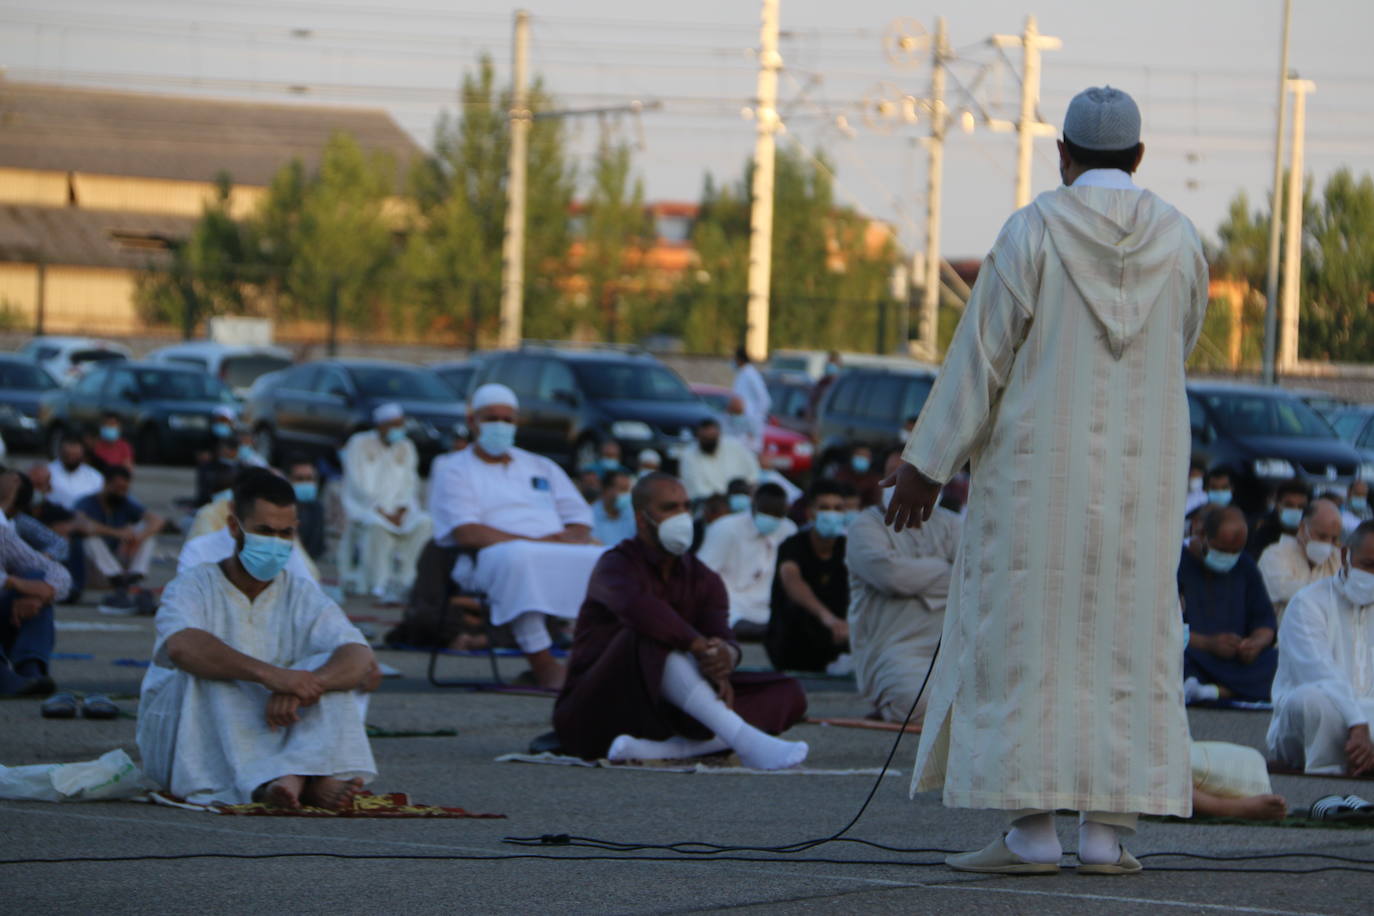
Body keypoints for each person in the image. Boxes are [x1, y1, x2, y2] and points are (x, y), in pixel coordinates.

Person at [883, 86, 1208, 874]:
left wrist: (928, 463)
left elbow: (981, 359)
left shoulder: (1031, 231)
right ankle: (1105, 837)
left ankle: (1031, 836)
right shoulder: (1182, 240)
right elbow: (1183, 340)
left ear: (1061, 155)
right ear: (1138, 158)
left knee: (1027, 646)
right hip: (1144, 489)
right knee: (1126, 651)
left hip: (1036, 488)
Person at [137, 469, 379, 809]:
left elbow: (358, 656)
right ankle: (282, 779)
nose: (276, 543)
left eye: (285, 534)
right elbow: (182, 646)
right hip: (190, 736)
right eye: (265, 531)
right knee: (212, 670)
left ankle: (290, 779)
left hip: (273, 721)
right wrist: (272, 676)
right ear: (235, 527)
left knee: (329, 670)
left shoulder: (301, 593)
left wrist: (305, 685)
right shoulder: (193, 585)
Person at [553, 473, 808, 768]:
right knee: (648, 632)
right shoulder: (615, 565)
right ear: (641, 519)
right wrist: (696, 644)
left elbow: (722, 634)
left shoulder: (703, 578)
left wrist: (724, 657)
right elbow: (640, 610)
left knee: (786, 691)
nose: (682, 516)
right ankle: (742, 738)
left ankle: (662, 750)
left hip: (674, 709)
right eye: (669, 508)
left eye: (686, 507)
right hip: (600, 707)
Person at [428, 383, 606, 690]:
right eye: (491, 418)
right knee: (519, 558)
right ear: (473, 422)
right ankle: (544, 665)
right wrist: (539, 543)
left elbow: (579, 518)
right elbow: (467, 532)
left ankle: (581, 661)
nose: (501, 426)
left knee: (607, 558)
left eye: (508, 419)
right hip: (484, 558)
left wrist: (571, 538)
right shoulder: (454, 469)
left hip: (554, 549)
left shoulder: (540, 465)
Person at [848, 453, 961, 725]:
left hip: (951, 647)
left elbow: (971, 574)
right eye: (895, 478)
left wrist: (920, 574)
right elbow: (891, 576)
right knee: (918, 704)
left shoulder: (951, 523)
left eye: (914, 479)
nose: (904, 485)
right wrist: (945, 567)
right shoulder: (865, 527)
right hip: (895, 651)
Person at [1266, 520, 1374, 776]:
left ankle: (1356, 761)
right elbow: (1318, 671)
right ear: (1346, 555)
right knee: (1312, 701)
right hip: (1318, 716)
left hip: (1369, 716)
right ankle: (1333, 772)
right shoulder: (1308, 602)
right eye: (1369, 566)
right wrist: (1358, 723)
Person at [1178, 506, 1278, 702]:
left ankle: (1213, 692)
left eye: (1236, 551)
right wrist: (1208, 643)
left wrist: (1255, 643)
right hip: (1196, 651)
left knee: (1279, 663)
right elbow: (1164, 628)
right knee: (1176, 658)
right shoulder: (1177, 562)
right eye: (1222, 550)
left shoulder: (1245, 565)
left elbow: (1265, 622)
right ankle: (1213, 689)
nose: (1229, 557)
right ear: (1202, 534)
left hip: (1237, 659)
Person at [339, 403, 432, 602]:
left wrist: (401, 507)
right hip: (367, 509)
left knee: (425, 523)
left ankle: (407, 580)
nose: (398, 429)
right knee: (377, 526)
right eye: (393, 425)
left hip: (400, 511)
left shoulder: (406, 446)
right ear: (381, 426)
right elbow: (356, 483)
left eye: (400, 424)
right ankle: (378, 583)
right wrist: (381, 510)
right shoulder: (359, 443)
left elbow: (410, 482)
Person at [0, 468, 73, 697]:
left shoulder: (6, 530)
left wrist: (44, 592)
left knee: (37, 580)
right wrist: (11, 582)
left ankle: (30, 669)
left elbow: (57, 572)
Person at [765, 480, 851, 673]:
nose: (832, 514)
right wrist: (826, 617)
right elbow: (792, 581)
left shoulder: (849, 548)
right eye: (824, 507)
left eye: (838, 508)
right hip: (794, 643)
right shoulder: (792, 545)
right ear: (810, 512)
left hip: (840, 638)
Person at [697, 482, 796, 641]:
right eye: (766, 512)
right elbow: (703, 574)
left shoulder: (788, 530)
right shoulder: (726, 528)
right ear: (754, 506)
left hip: (769, 604)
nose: (770, 518)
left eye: (776, 514)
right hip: (732, 602)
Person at [74, 466, 166, 615]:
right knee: (90, 539)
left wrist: (138, 538)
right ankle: (119, 581)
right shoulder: (88, 501)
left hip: (120, 564)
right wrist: (117, 533)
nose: (120, 492)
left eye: (124, 489)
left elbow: (157, 520)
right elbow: (80, 524)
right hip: (92, 571)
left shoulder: (125, 502)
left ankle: (134, 580)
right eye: (117, 487)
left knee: (148, 538)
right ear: (106, 484)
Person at [1258, 498, 1344, 620]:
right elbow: (1294, 595)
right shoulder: (1274, 555)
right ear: (1302, 527)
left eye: (1334, 539)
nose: (1328, 544)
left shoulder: (1338, 559)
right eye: (1322, 536)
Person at [678, 418, 759, 503]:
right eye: (705, 438)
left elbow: (753, 472)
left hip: (741, 498)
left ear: (719, 434)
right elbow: (696, 490)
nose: (709, 441)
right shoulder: (688, 455)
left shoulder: (734, 446)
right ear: (698, 436)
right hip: (709, 504)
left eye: (712, 437)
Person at [1248, 479, 1311, 559]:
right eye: (1289, 505)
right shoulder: (1262, 529)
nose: (1295, 510)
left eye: (1301, 507)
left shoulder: (1310, 532)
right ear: (1277, 504)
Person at [730, 347, 771, 454]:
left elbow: (764, 400)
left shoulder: (751, 374)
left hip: (751, 427)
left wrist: (754, 421)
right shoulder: (742, 374)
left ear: (740, 359)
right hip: (741, 424)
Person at [47, 435, 104, 511]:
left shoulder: (95, 476)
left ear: (82, 454)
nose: (71, 459)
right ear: (61, 453)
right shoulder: (47, 471)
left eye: (75, 455)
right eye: (67, 455)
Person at [286, 455, 326, 561]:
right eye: (299, 479)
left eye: (309, 478)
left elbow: (317, 547)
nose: (305, 483)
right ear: (288, 479)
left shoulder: (317, 508)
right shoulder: (277, 508)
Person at [591, 469, 636, 547]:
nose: (627, 495)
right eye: (622, 489)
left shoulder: (633, 514)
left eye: (628, 490)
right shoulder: (589, 516)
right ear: (606, 490)